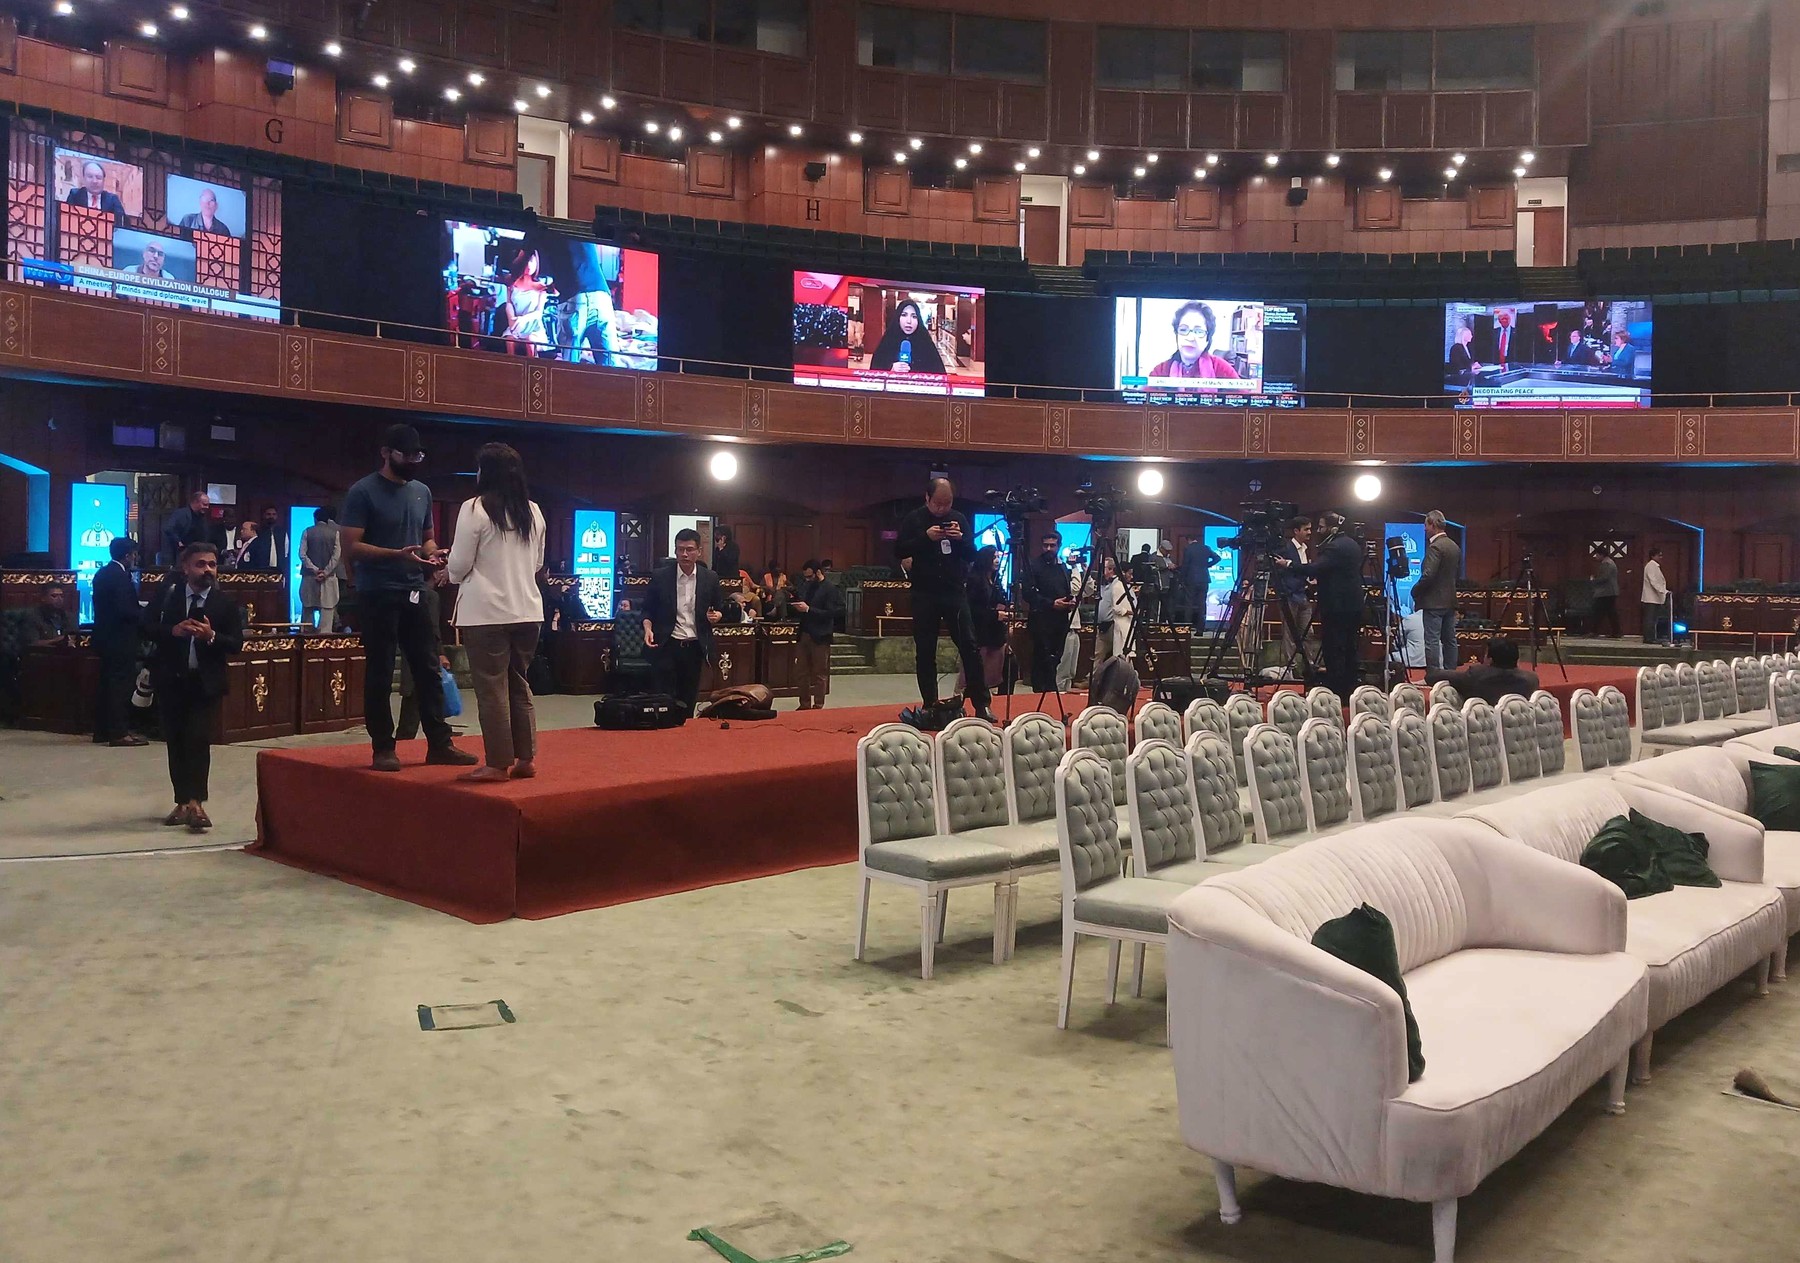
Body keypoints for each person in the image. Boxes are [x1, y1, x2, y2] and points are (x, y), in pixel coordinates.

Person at [340, 422, 478, 772]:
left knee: (428, 668)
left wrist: (433, 554)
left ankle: (439, 744)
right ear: (386, 453)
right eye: (407, 455)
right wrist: (396, 555)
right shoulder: (362, 491)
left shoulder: (421, 491)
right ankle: (383, 748)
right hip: (377, 592)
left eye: (419, 456)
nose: (414, 462)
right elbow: (351, 546)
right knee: (381, 671)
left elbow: (426, 538)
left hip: (416, 590)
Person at [446, 442, 546, 784]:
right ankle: (526, 758)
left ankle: (497, 763)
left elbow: (459, 566)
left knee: (491, 689)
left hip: (487, 613)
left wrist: (450, 570)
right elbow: (537, 563)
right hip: (528, 610)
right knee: (519, 683)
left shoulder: (475, 508)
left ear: (485, 473)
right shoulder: (533, 511)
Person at [145, 542, 244, 832]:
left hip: (205, 683)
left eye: (212, 564)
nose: (208, 570)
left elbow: (236, 644)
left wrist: (211, 636)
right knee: (175, 741)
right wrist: (172, 631)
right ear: (185, 568)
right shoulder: (169, 596)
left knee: (198, 740)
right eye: (200, 564)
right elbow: (145, 627)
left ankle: (197, 803)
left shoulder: (224, 603)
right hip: (171, 681)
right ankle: (181, 802)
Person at [895, 477, 991, 720]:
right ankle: (930, 703)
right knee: (925, 649)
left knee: (969, 646)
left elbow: (972, 555)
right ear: (927, 498)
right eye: (937, 504)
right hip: (924, 592)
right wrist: (926, 537)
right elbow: (899, 550)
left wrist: (961, 539)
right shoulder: (914, 519)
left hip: (954, 591)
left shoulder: (958, 519)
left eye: (947, 504)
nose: (941, 509)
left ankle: (982, 704)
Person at [1276, 512, 1364, 702]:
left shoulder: (1334, 547)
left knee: (1334, 647)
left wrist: (1287, 564)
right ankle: (1349, 687)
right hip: (1353, 604)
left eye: (1321, 527)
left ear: (1333, 529)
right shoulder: (1353, 544)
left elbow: (1315, 568)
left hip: (1336, 606)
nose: (1317, 531)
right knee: (1350, 647)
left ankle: (1337, 690)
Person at [641, 527, 723, 714]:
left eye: (689, 549)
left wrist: (717, 615)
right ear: (675, 550)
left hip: (694, 646)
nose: (684, 554)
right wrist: (647, 628)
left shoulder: (710, 578)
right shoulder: (661, 576)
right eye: (680, 549)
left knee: (688, 698)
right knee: (665, 699)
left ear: (699, 551)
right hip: (667, 644)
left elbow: (720, 607)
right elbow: (647, 609)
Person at [92, 536, 147, 747]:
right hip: (120, 639)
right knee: (120, 686)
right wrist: (146, 614)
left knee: (106, 684)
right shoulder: (120, 577)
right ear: (127, 556)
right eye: (134, 554)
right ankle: (119, 733)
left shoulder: (103, 573)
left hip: (105, 637)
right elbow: (125, 610)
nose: (135, 558)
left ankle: (103, 731)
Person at [1022, 532, 1074, 694]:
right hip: (1041, 620)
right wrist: (1051, 603)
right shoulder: (1033, 566)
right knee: (1041, 658)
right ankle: (1040, 692)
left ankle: (1051, 692)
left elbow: (1066, 589)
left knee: (1056, 658)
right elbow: (1028, 594)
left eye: (1052, 545)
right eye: (1046, 545)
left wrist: (1069, 602)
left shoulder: (1062, 566)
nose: (1049, 549)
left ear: (1059, 546)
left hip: (1061, 620)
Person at [792, 559, 844, 710]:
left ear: (818, 572)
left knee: (819, 673)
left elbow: (833, 612)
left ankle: (818, 705)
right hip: (804, 632)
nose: (807, 579)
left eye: (810, 576)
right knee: (801, 672)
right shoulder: (807, 586)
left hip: (821, 635)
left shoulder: (830, 588)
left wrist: (809, 609)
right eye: (805, 577)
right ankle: (804, 704)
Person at [1427, 636, 1540, 706]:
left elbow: (1433, 676)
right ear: (1517, 660)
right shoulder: (1531, 680)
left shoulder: (1476, 675)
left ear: (1489, 659)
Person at [1413, 511, 1462, 670]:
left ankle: (1433, 675)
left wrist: (1415, 590)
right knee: (1450, 640)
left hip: (1433, 602)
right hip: (1450, 600)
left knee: (1432, 640)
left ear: (1433, 525)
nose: (1424, 529)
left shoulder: (1435, 547)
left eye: (1426, 525)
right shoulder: (1454, 546)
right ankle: (1451, 674)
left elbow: (1428, 575)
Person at [561, 242, 621, 366]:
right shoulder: (587, 230)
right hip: (601, 294)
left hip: (575, 296)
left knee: (569, 366)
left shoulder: (539, 232)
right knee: (610, 366)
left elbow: (522, 262)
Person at [1149, 301, 1240, 380]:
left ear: (1207, 339)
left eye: (1199, 331)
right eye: (1183, 330)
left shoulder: (1223, 369)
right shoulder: (1160, 371)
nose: (1190, 338)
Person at [965, 545, 1012, 696]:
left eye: (998, 557)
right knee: (977, 674)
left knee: (1004, 670)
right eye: (994, 557)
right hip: (981, 633)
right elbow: (972, 608)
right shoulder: (975, 580)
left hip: (996, 634)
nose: (997, 560)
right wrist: (995, 615)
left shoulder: (995, 580)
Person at [1275, 516, 1314, 671]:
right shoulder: (1285, 548)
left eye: (1310, 529)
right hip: (1290, 596)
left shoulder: (1305, 549)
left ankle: (1309, 665)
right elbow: (1279, 572)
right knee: (1289, 634)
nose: (1309, 532)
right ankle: (1290, 667)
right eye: (1306, 529)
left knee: (1308, 632)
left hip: (1304, 595)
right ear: (1296, 531)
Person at [867, 300, 947, 374]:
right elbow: (874, 372)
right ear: (898, 318)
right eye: (904, 315)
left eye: (914, 316)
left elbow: (940, 374)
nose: (909, 321)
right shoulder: (888, 342)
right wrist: (891, 368)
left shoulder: (926, 344)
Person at [499, 249, 551, 356]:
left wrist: (523, 319)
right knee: (510, 340)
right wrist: (511, 319)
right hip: (515, 326)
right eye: (526, 262)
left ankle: (533, 365)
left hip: (533, 327)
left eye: (532, 261)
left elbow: (539, 313)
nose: (529, 265)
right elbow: (508, 303)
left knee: (530, 341)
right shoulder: (512, 284)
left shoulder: (541, 287)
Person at [299, 508, 343, 632]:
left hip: (309, 577)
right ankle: (324, 637)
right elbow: (336, 556)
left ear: (315, 519)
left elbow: (302, 554)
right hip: (329, 578)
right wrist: (325, 572)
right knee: (327, 610)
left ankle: (306, 637)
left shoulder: (307, 531)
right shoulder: (335, 533)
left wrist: (315, 569)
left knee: (307, 609)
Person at [1095, 554, 1135, 663]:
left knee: (1123, 655)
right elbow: (1116, 607)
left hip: (1115, 624)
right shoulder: (1108, 583)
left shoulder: (1119, 584)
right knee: (1101, 655)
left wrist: (1132, 612)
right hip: (1106, 624)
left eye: (1103, 568)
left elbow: (1122, 606)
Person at [161, 489, 211, 567]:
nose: (207, 507)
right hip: (181, 554)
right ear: (195, 502)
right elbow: (169, 529)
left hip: (198, 554)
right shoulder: (181, 514)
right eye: (204, 504)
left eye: (208, 505)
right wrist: (179, 542)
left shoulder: (202, 518)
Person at [1178, 538, 1221, 626]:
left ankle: (1187, 626)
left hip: (1191, 579)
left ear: (1188, 540)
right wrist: (1207, 565)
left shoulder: (1188, 549)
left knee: (1189, 603)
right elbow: (1217, 558)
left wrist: (1181, 579)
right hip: (1204, 579)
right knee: (1202, 603)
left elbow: (1185, 565)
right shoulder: (1206, 548)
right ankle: (1201, 627)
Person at [1642, 547, 1670, 646]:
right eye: (1659, 555)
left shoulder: (1655, 566)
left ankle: (1651, 637)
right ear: (1653, 556)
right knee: (1650, 619)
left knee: (1653, 619)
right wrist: (1663, 591)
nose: (1661, 557)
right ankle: (1649, 638)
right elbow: (1653, 581)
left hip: (1655, 597)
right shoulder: (1651, 566)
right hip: (1651, 598)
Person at [1591, 551, 1621, 638]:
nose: (1596, 557)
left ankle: (1594, 631)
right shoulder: (1610, 562)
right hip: (1610, 591)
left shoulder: (1606, 564)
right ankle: (1616, 632)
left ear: (1602, 555)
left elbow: (1604, 577)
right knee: (1611, 612)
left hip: (1606, 592)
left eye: (1597, 555)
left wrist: (1594, 580)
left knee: (1598, 611)